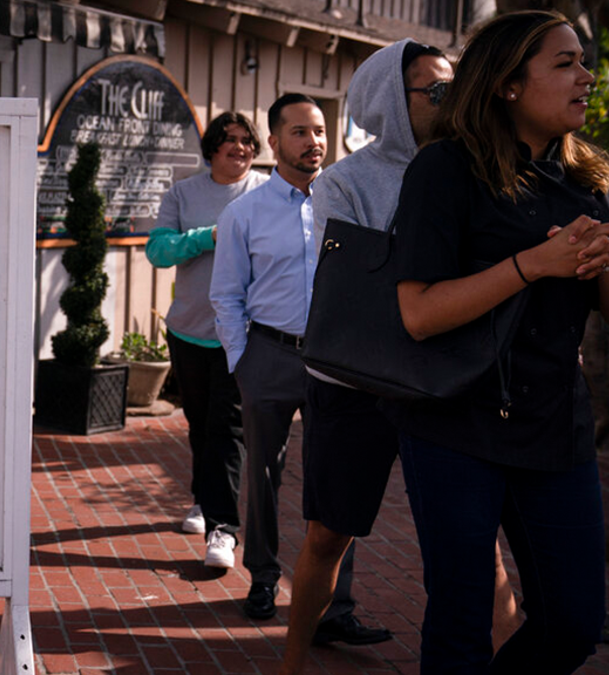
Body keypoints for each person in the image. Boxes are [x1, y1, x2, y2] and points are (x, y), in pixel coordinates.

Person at [389, 11, 609, 673]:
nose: (585, 77)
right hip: (454, 426)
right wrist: (533, 264)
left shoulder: (593, 186)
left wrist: (606, 258)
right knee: (462, 621)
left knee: (574, 621)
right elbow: (418, 313)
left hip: (555, 429)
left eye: (583, 61)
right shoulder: (445, 171)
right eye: (565, 63)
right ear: (508, 84)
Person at [281, 41, 486, 672]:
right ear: (390, 104)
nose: (451, 101)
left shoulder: (479, 168)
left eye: (455, 87)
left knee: (479, 548)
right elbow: (355, 288)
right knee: (327, 535)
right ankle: (291, 662)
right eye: (436, 91)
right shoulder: (344, 180)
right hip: (353, 380)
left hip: (443, 379)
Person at [210, 93, 325, 620]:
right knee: (264, 475)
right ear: (274, 143)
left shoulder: (343, 205)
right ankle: (262, 575)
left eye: (320, 130)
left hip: (333, 362)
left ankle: (334, 602)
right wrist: (242, 362)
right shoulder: (244, 213)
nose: (314, 141)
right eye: (300, 132)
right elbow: (227, 294)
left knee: (336, 479)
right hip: (269, 356)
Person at [146, 112, 269, 568]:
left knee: (226, 428)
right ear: (212, 147)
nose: (239, 148)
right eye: (229, 141)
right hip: (189, 330)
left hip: (245, 333)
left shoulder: (266, 192)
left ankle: (223, 529)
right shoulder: (183, 193)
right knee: (200, 423)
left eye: (247, 142)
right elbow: (158, 251)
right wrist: (208, 236)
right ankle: (202, 499)